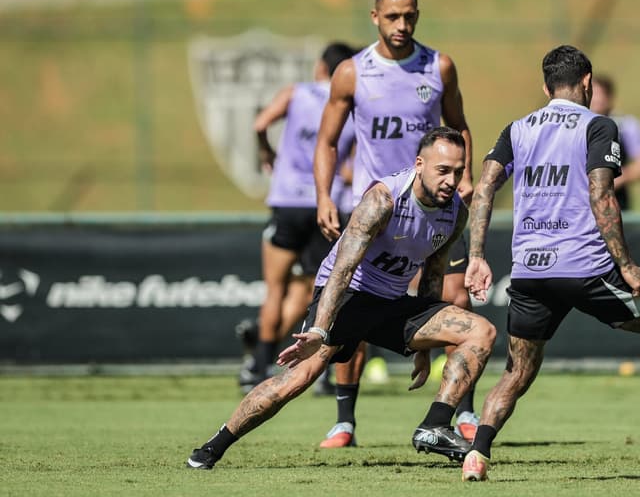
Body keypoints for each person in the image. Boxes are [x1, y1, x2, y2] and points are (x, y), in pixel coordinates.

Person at [460, 45, 640, 482]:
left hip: (531, 273)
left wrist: (477, 256)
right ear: (588, 82)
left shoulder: (517, 129)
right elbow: (602, 194)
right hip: (585, 268)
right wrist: (626, 264)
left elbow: (483, 190)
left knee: (518, 370)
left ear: (545, 86)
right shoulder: (598, 126)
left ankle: (476, 454)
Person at [187, 127, 496, 470]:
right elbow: (342, 269)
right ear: (419, 164)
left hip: (392, 303)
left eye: (458, 170)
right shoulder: (383, 200)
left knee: (480, 331)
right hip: (348, 295)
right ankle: (213, 447)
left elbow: (434, 274)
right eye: (443, 170)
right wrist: (319, 329)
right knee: (298, 379)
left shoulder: (455, 213)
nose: (452, 180)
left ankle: (435, 425)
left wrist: (425, 350)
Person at [312, 0, 480, 448]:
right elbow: (327, 141)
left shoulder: (438, 66)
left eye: (410, 16)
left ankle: (459, 411)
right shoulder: (352, 72)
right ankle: (345, 420)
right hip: (377, 210)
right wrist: (324, 196)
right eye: (392, 17)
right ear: (375, 17)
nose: (402, 25)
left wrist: (462, 180)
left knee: (455, 302)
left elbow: (459, 124)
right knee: (354, 308)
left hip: (436, 209)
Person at [239, 42, 358, 393]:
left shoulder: (297, 93)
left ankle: (259, 367)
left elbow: (260, 123)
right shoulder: (350, 104)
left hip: (288, 201)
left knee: (275, 287)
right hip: (327, 204)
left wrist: (266, 149)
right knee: (318, 290)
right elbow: (350, 159)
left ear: (321, 67)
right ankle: (317, 369)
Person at [589, 74, 640, 210]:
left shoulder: (625, 126)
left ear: (609, 98)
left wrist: (617, 178)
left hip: (616, 205)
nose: (594, 99)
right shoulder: (576, 127)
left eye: (598, 94)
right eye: (590, 93)